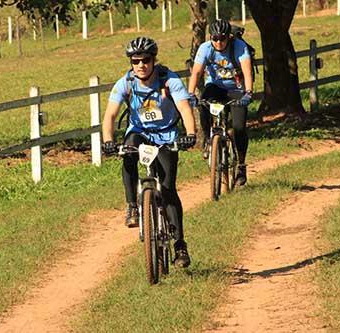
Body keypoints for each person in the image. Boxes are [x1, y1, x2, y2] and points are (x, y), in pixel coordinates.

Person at [102, 37, 197, 268]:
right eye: (136, 61)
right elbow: (110, 115)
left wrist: (191, 134)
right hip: (140, 132)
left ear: (154, 60)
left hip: (166, 135)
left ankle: (180, 245)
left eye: (145, 60)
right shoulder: (125, 83)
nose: (141, 65)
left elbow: (184, 108)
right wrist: (107, 140)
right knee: (128, 150)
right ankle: (132, 206)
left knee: (167, 189)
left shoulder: (169, 79)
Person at [188, 18, 253, 186]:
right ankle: (208, 140)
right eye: (214, 38)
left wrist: (248, 93)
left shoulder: (239, 46)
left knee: (239, 128)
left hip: (237, 89)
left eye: (222, 38)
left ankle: (241, 165)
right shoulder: (205, 48)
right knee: (203, 104)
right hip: (216, 87)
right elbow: (196, 72)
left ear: (229, 37)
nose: (218, 42)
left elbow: (246, 71)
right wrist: (190, 93)